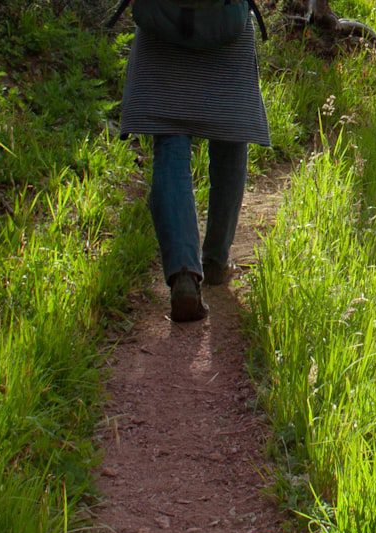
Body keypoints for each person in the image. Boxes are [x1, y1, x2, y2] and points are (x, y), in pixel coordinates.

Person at [118, 2, 270, 322]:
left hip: (162, 26)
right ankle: (215, 261)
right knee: (230, 134)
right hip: (227, 29)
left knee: (170, 142)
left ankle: (184, 274)